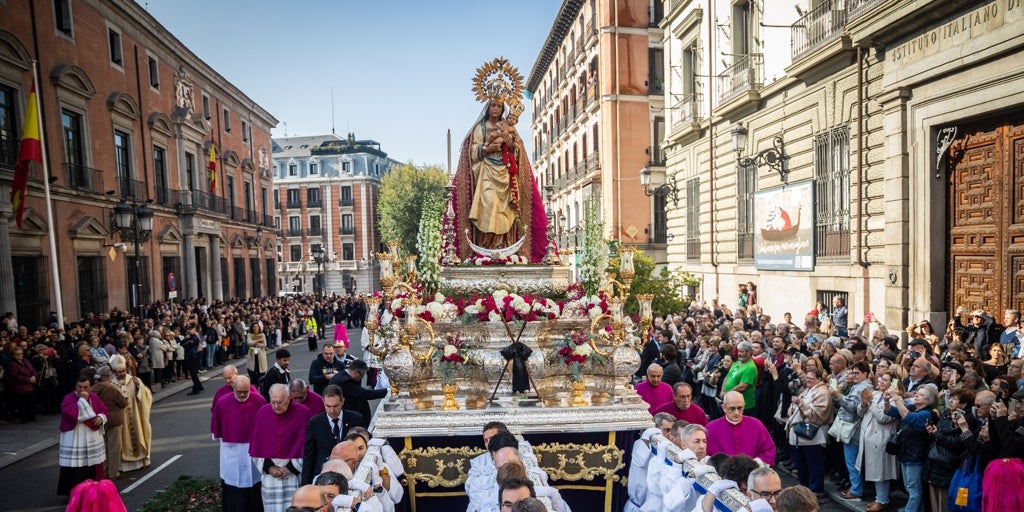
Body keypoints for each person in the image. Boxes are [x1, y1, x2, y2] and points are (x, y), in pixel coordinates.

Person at [448, 95, 547, 262]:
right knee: (488, 205)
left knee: (505, 211)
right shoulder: (480, 127)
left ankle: (504, 248)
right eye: (493, 105)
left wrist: (510, 145)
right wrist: (485, 150)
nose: (496, 109)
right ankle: (486, 247)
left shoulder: (509, 127)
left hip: (505, 171)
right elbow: (472, 150)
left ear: (503, 110)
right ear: (488, 107)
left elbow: (518, 151)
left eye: (499, 107)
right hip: (486, 171)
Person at [250, 383, 309, 512]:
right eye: (273, 402)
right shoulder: (263, 413)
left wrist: (291, 468)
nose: (276, 406)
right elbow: (256, 446)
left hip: (293, 475)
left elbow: (308, 446)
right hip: (270, 477)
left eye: (280, 402)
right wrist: (269, 467)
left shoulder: (302, 413)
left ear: (289, 398)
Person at [212, 375, 267, 512]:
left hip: (253, 450)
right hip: (231, 451)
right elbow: (216, 427)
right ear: (233, 388)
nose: (242, 395)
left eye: (245, 391)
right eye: (239, 391)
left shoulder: (259, 401)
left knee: (254, 485)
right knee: (233, 487)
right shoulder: (222, 402)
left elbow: (267, 424)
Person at [886, 383, 938, 512]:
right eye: (916, 393)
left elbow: (908, 417)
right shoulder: (913, 408)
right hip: (906, 453)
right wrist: (887, 400)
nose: (916, 395)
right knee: (910, 487)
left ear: (928, 400)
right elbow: (891, 411)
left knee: (914, 488)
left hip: (916, 455)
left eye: (921, 395)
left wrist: (896, 397)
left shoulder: (927, 414)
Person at [301, 384, 365, 484]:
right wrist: (305, 484)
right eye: (328, 406)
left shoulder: (356, 419)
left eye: (335, 406)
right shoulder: (314, 423)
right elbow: (309, 455)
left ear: (342, 401)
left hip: (351, 473)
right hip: (324, 475)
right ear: (323, 401)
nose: (331, 411)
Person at [786, 367, 834, 497]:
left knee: (814, 465)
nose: (808, 381)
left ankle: (816, 491)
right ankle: (805, 490)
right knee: (802, 465)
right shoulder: (808, 389)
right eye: (807, 378)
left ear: (819, 379)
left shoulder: (823, 392)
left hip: (814, 435)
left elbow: (819, 416)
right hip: (800, 435)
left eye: (811, 379)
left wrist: (800, 403)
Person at [857, 370, 901, 512]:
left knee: (881, 471)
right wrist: (863, 404)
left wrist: (869, 401)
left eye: (885, 380)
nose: (881, 381)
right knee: (875, 470)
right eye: (881, 379)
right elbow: (859, 412)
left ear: (893, 384)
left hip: (882, 438)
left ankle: (882, 500)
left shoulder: (895, 399)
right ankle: (878, 498)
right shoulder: (875, 394)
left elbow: (883, 418)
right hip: (869, 437)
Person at [57, 375, 109, 495]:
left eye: (85, 387)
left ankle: (94, 489)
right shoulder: (69, 398)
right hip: (75, 436)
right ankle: (74, 492)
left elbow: (104, 410)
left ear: (90, 387)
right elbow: (71, 415)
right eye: (80, 387)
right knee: (76, 467)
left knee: (91, 465)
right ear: (76, 386)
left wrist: (101, 418)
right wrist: (82, 401)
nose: (82, 390)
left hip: (90, 436)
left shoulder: (94, 397)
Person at [707, 391, 775, 464]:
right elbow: (704, 454)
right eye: (732, 408)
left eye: (740, 408)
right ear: (724, 408)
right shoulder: (711, 428)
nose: (736, 412)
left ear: (744, 406)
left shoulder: (756, 425)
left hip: (750, 472)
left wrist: (754, 464)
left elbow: (768, 450)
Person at [92, 366, 127, 480]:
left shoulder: (93, 389)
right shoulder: (111, 389)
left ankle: (105, 471)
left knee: (104, 448)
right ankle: (113, 473)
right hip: (113, 420)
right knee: (114, 448)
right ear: (108, 376)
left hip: (100, 421)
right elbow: (123, 403)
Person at [722, 341, 758, 415]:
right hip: (730, 401)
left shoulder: (751, 367)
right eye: (738, 351)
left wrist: (726, 394)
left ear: (748, 352)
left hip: (743, 405)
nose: (739, 354)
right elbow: (727, 377)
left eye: (742, 352)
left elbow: (742, 387)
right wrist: (722, 392)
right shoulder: (737, 363)